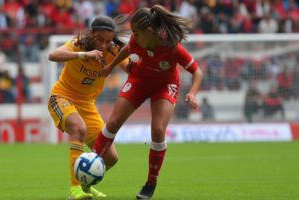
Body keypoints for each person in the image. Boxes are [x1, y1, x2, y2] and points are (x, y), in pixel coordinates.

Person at [92, 5, 203, 199]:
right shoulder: (138, 40)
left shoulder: (171, 46)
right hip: (139, 80)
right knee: (113, 122)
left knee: (158, 130)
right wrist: (110, 67)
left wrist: (192, 93)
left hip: (165, 85)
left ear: (150, 32)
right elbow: (127, 50)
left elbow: (197, 71)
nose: (133, 36)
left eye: (136, 32)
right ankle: (92, 163)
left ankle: (151, 182)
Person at [47, 15, 130, 200]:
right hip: (61, 97)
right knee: (79, 129)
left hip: (87, 105)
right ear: (91, 33)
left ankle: (85, 186)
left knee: (110, 158)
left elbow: (131, 69)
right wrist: (85, 55)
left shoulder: (113, 50)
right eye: (100, 39)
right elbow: (53, 55)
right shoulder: (78, 44)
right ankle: (74, 190)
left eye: (108, 41)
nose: (103, 44)